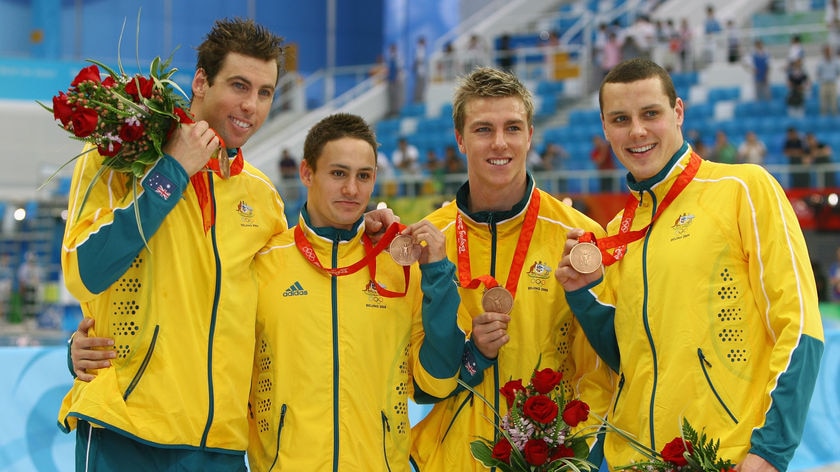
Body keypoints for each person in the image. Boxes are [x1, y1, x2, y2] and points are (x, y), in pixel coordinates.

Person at [555, 58, 824, 472]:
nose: (638, 131)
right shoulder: (618, 231)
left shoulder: (743, 189)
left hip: (721, 457)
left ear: (678, 112)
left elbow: (800, 326)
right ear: (606, 129)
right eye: (621, 119)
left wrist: (770, 453)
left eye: (651, 114)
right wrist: (584, 293)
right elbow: (628, 357)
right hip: (636, 460)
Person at [55, 19, 289, 472]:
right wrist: (172, 172)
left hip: (219, 443)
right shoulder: (120, 157)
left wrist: (362, 234)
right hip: (126, 430)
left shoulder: (263, 199)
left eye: (265, 92)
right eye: (239, 85)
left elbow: (285, 311)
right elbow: (85, 270)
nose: (251, 105)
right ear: (200, 81)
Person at [409, 66, 614, 471]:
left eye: (513, 128)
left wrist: (566, 455)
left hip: (551, 460)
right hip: (450, 462)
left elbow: (601, 371)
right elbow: (419, 383)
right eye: (483, 129)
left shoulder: (581, 239)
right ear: (460, 140)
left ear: (531, 135)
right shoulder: (429, 243)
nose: (500, 143)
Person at [247, 113, 464, 470]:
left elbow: (438, 382)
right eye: (338, 173)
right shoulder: (264, 262)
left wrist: (438, 274)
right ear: (306, 173)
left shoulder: (400, 270)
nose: (351, 189)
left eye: (363, 176)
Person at [17, 250, 42, 320]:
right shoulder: (24, 267)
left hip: (33, 288)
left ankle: (32, 318)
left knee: (33, 304)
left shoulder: (37, 268)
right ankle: (25, 319)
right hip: (26, 287)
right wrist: (21, 289)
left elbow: (38, 280)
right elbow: (21, 279)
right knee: (25, 304)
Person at [815, 43, 840, 116]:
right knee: (823, 103)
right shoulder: (820, 62)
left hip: (832, 83)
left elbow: (838, 72)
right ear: (824, 52)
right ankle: (823, 119)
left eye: (829, 51)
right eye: (826, 51)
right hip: (824, 83)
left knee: (834, 103)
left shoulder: (836, 61)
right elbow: (818, 73)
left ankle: (835, 119)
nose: (828, 52)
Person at [412, 35, 429, 103]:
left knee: (421, 86)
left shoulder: (421, 49)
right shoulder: (419, 49)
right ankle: (418, 100)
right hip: (420, 71)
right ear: (422, 42)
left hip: (421, 71)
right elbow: (418, 60)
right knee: (419, 86)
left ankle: (419, 99)